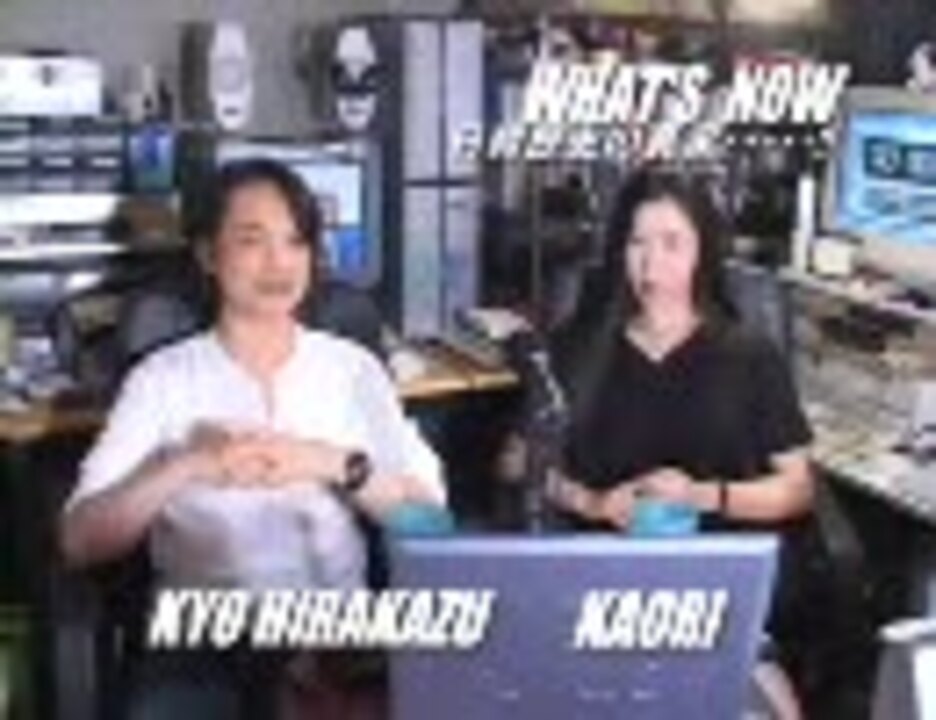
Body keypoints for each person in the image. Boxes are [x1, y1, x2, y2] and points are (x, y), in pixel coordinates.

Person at [59, 158, 445, 716]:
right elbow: (79, 541)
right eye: (252, 240)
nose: (279, 263)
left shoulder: (351, 369)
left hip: (333, 636)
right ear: (208, 255)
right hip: (204, 639)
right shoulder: (163, 378)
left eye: (295, 242)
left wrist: (332, 463)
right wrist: (185, 465)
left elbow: (432, 524)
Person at [544, 168, 814, 719]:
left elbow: (797, 488)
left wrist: (702, 496)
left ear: (702, 252)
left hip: (716, 592)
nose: (651, 265)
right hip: (603, 590)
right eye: (637, 243)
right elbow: (520, 467)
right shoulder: (578, 346)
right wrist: (592, 503)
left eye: (672, 244)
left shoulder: (748, 355)